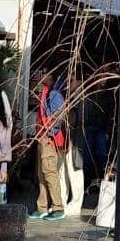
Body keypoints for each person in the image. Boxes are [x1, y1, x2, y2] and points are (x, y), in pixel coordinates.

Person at [34, 69, 67, 219]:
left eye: (43, 73)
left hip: (49, 139)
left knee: (49, 172)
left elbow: (59, 117)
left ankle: (58, 207)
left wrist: (49, 134)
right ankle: (42, 207)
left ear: (50, 76)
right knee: (42, 174)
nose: (39, 75)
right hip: (42, 137)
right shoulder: (45, 92)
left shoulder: (54, 94)